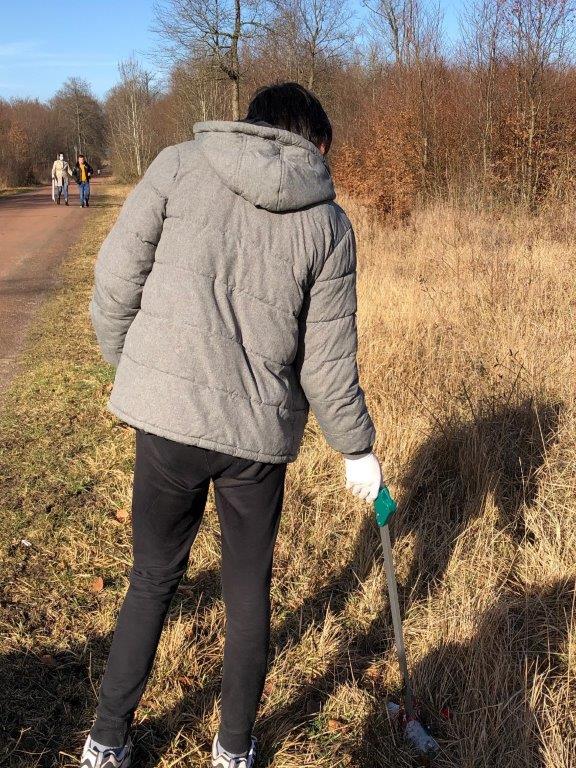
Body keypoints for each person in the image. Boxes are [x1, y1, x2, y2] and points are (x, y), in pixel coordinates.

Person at [83, 82, 382, 768]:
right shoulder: (329, 225)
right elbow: (327, 364)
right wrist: (356, 449)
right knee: (247, 597)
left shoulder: (177, 165)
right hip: (254, 443)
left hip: (168, 425)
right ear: (314, 143)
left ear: (250, 124)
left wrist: (141, 373)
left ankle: (106, 741)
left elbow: (115, 282)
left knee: (151, 578)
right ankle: (234, 751)